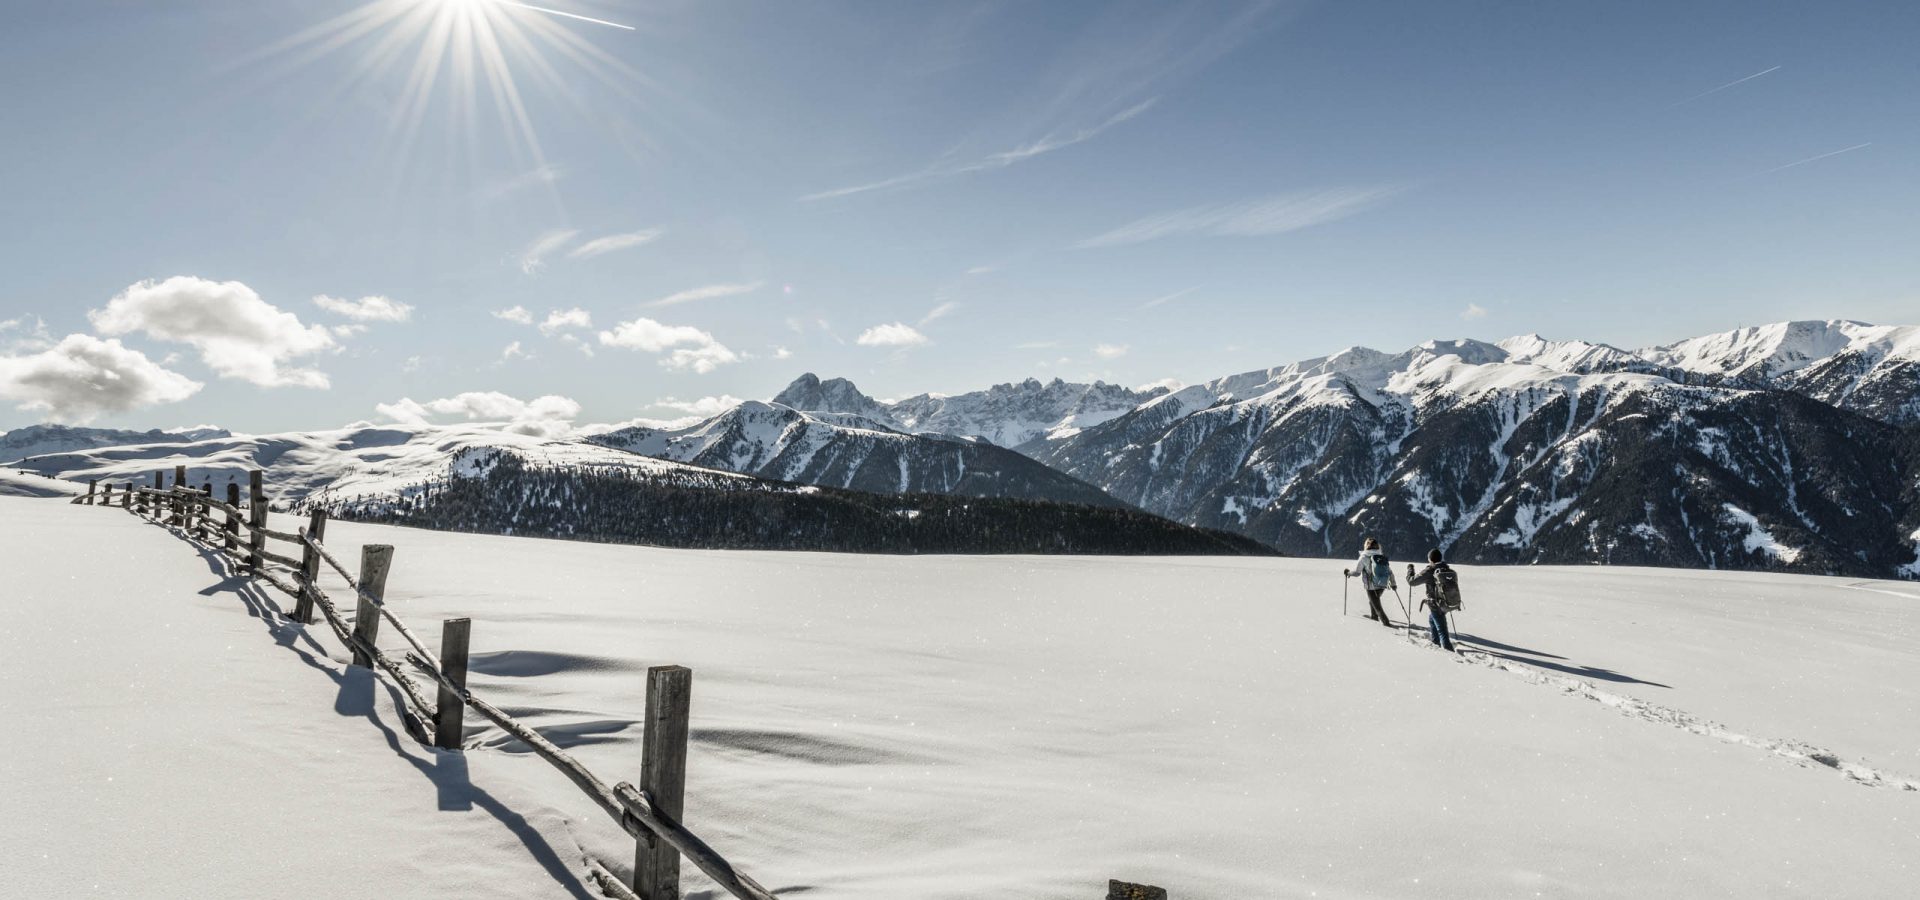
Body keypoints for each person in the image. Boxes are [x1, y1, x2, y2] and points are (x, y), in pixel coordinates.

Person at [1407, 549, 1457, 652]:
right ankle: (1435, 643)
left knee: (1442, 630)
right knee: (1432, 620)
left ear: (1430, 559)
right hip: (1446, 602)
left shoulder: (1430, 571)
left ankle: (1450, 652)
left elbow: (1412, 582)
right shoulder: (1447, 569)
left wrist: (1410, 570)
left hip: (1435, 604)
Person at [1343, 537, 1396, 627]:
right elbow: (1390, 572)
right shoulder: (1381, 557)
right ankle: (1374, 617)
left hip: (1371, 586)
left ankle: (1387, 624)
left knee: (1377, 607)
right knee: (1373, 602)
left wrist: (1348, 573)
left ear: (1366, 546)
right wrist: (1393, 584)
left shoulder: (1364, 557)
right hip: (1382, 584)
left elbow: (1357, 573)